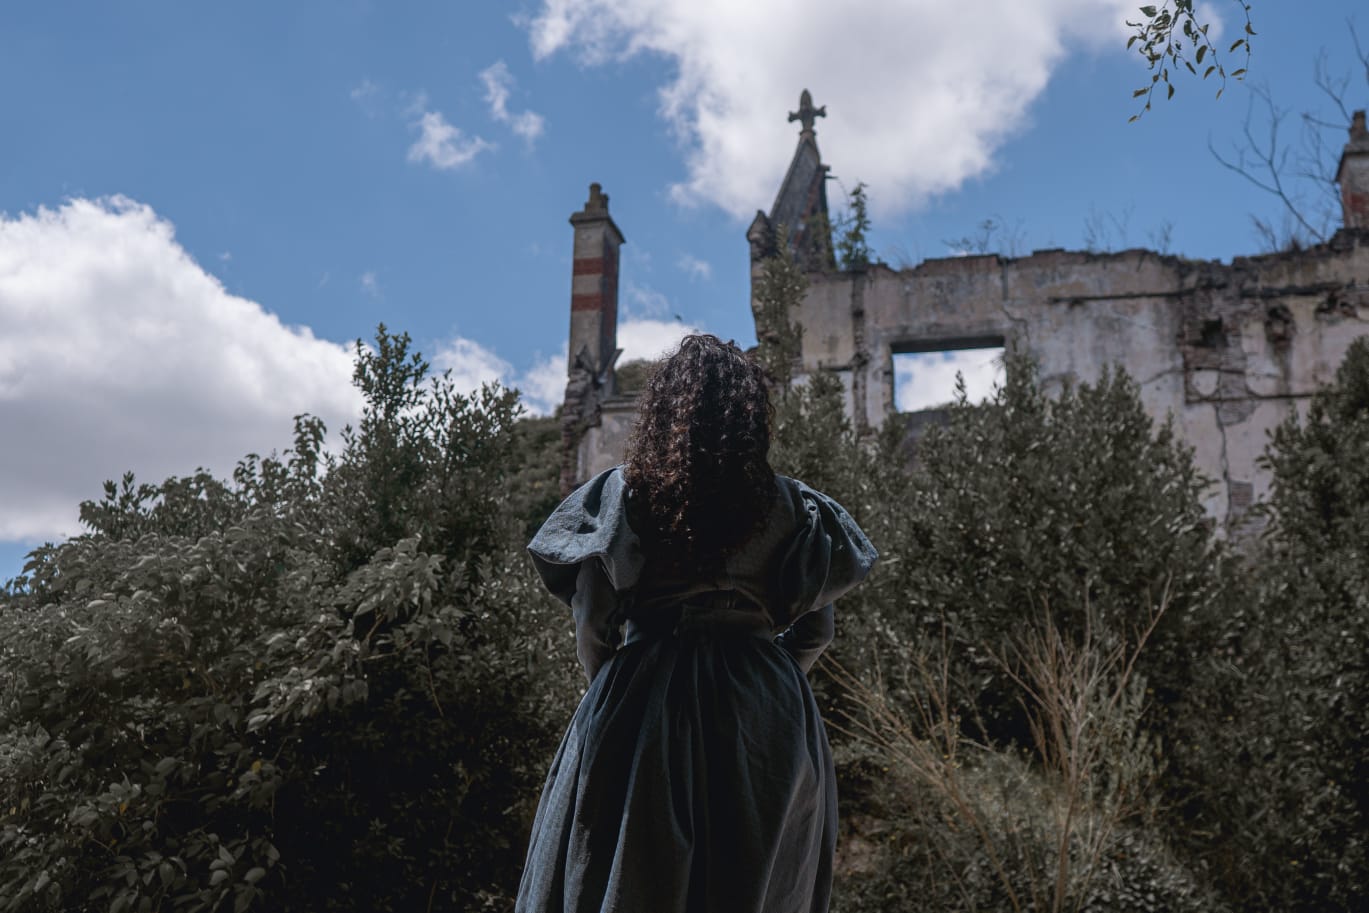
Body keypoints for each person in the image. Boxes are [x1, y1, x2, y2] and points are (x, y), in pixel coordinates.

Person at [516, 334, 877, 913]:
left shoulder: (625, 496)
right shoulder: (796, 510)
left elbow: (593, 622)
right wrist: (771, 678)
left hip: (644, 701)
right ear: (751, 417)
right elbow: (818, 631)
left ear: (663, 411)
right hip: (768, 718)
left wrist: (613, 689)